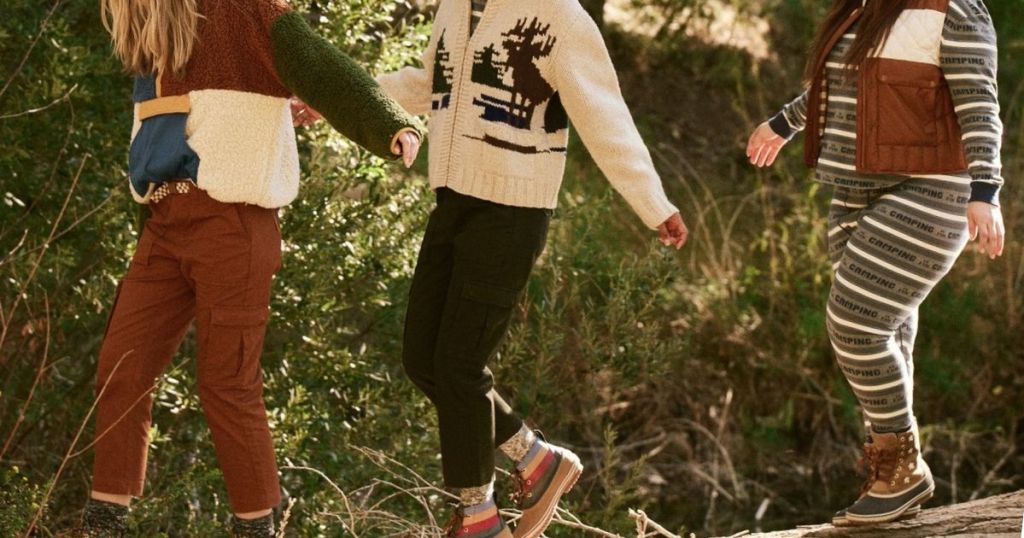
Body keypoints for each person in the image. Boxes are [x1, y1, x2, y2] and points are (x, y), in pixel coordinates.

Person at [85, 0, 421, 536]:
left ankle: (257, 523)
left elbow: (320, 63)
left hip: (233, 224)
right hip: (164, 223)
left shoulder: (241, 10)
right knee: (120, 369)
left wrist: (388, 125)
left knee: (226, 382)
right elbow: (156, 141)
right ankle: (105, 522)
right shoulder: (150, 34)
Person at [376, 1, 688, 536]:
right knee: (422, 357)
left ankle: (477, 514)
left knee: (458, 363)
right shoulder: (455, 5)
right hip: (453, 202)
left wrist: (653, 203)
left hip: (512, 212)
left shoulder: (559, 16)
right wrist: (343, 98)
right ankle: (538, 461)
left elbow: (605, 115)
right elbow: (430, 81)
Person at [747, 0, 1005, 526]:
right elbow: (844, 87)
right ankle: (891, 483)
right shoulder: (860, 8)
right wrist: (785, 122)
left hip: (933, 189)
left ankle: (903, 466)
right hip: (851, 192)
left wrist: (986, 188)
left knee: (855, 320)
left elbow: (979, 101)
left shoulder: (954, 10)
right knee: (891, 330)